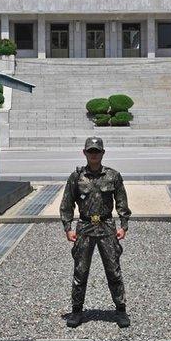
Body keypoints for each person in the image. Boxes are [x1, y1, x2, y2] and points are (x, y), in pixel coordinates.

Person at [60, 136, 131, 328]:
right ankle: (76, 311)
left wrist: (123, 225)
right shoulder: (76, 177)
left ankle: (121, 310)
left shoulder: (113, 176)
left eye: (97, 151)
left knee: (113, 270)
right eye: (90, 151)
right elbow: (67, 204)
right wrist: (68, 227)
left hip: (107, 226)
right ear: (84, 153)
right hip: (84, 227)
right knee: (80, 271)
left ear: (103, 153)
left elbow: (121, 202)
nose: (94, 154)